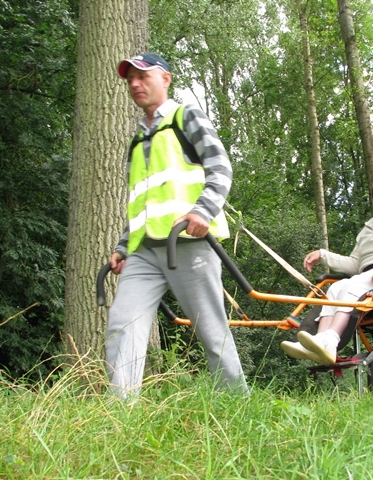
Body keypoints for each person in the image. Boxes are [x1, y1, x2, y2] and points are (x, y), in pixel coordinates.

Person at [105, 52, 248, 398]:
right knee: (123, 325)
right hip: (144, 252)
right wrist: (123, 247)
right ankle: (119, 412)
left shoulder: (186, 117)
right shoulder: (138, 141)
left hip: (187, 243)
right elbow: (139, 203)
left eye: (144, 76)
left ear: (165, 78)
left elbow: (220, 167)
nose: (136, 84)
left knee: (211, 331)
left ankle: (237, 405)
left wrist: (202, 211)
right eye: (130, 80)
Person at [281, 175, 373, 365]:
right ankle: (321, 340)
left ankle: (331, 339)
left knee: (354, 285)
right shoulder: (368, 228)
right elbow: (354, 264)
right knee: (335, 288)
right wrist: (323, 254)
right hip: (368, 275)